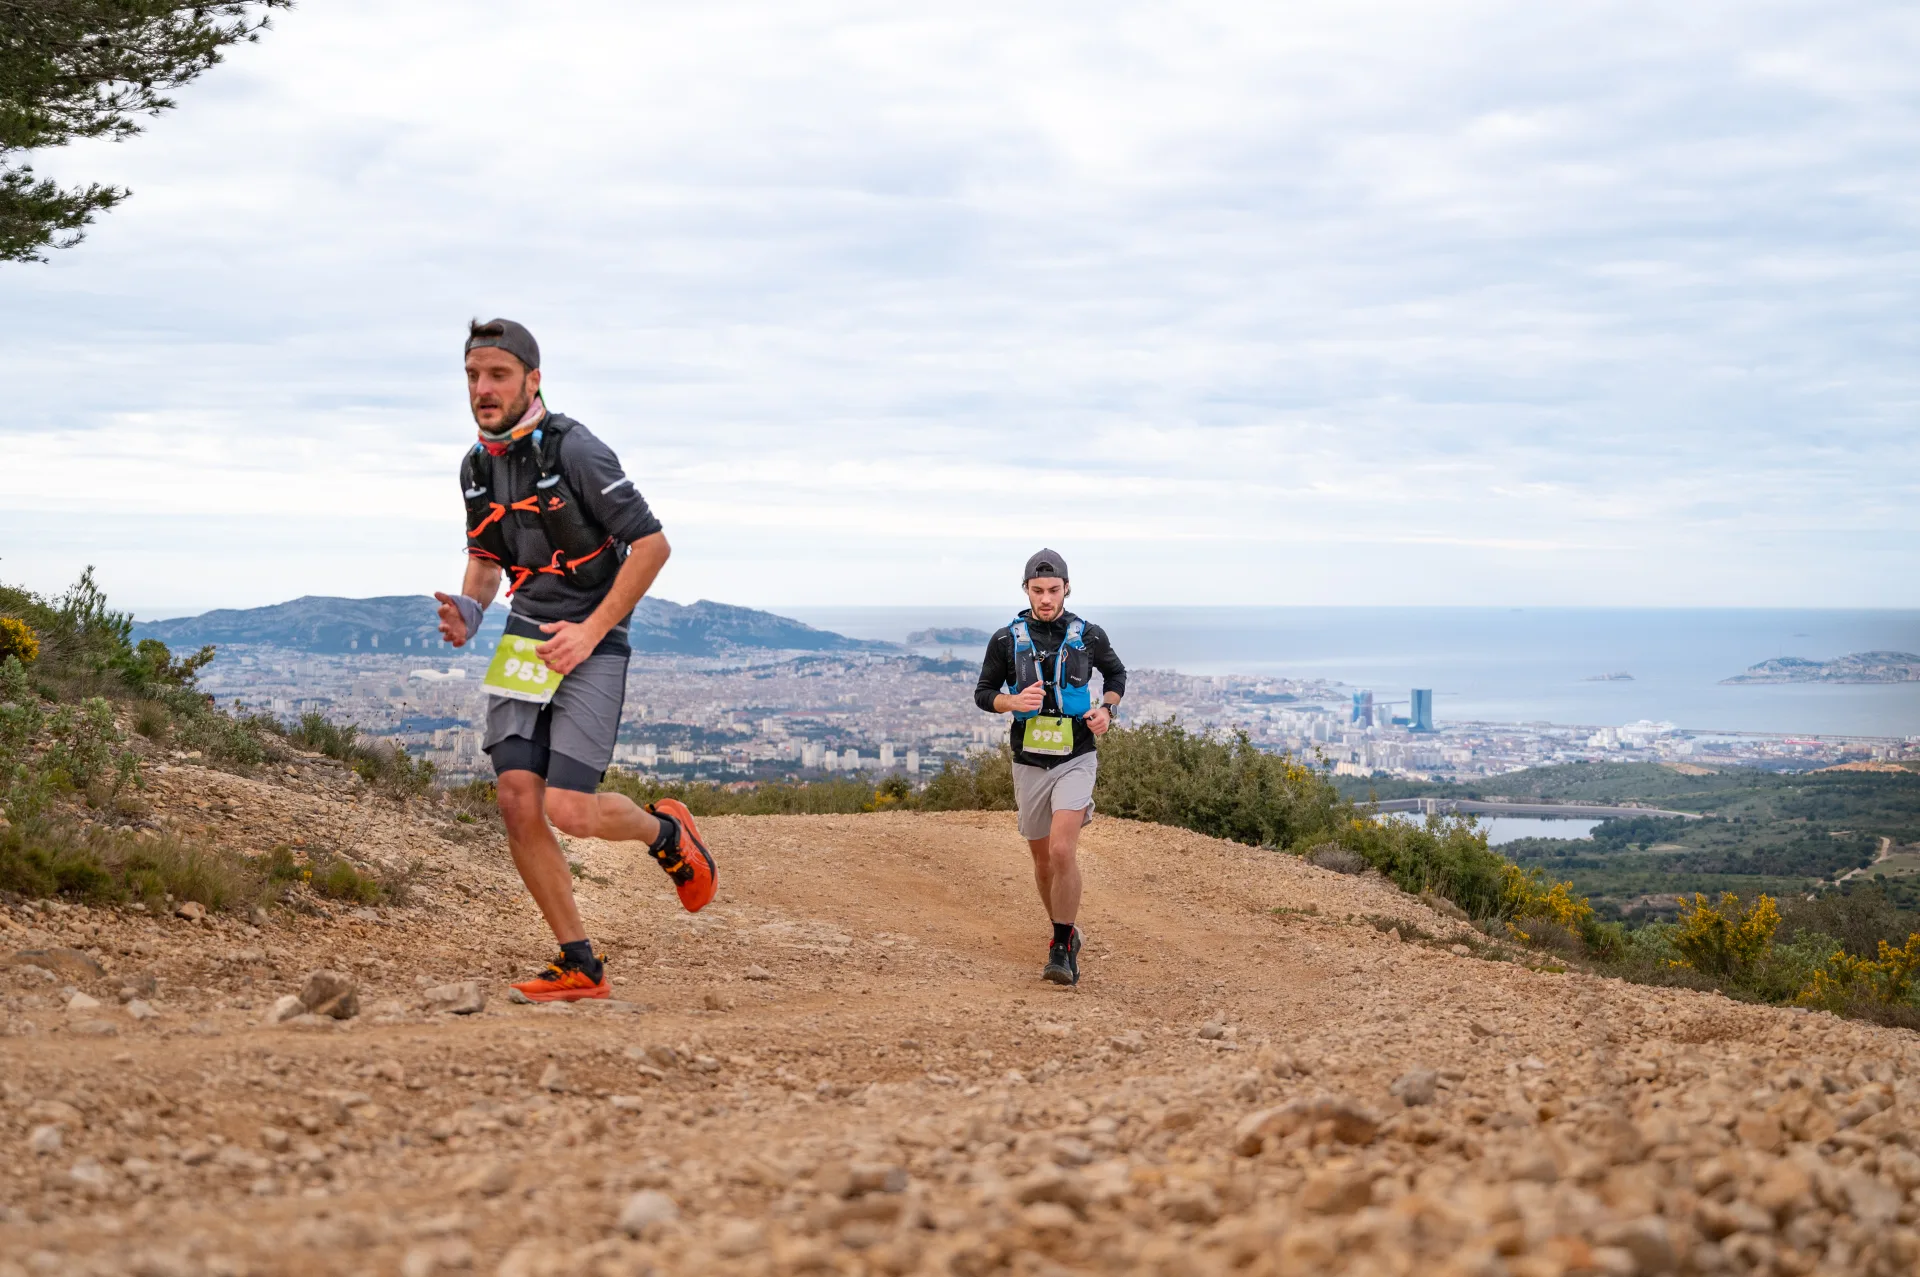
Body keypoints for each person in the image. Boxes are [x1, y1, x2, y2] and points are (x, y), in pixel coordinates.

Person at [434, 318, 715, 1003]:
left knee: (570, 808)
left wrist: (588, 634)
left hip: (592, 636)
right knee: (516, 798)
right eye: (473, 376)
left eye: (497, 374)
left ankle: (668, 832)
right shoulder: (478, 465)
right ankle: (580, 962)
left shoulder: (578, 449)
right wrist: (471, 612)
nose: (482, 388)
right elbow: (485, 555)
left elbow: (651, 545)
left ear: (533, 379)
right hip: (528, 637)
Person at [974, 549, 1126, 985]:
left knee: (1062, 850)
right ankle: (1066, 929)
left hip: (1077, 755)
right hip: (1029, 761)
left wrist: (1107, 712)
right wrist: (1011, 702)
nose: (1045, 598)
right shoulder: (1006, 640)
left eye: (1053, 590)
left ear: (1066, 588)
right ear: (1026, 589)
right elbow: (984, 692)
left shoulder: (1089, 635)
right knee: (1042, 862)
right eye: (1037, 590)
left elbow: (1116, 678)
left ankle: (1060, 948)